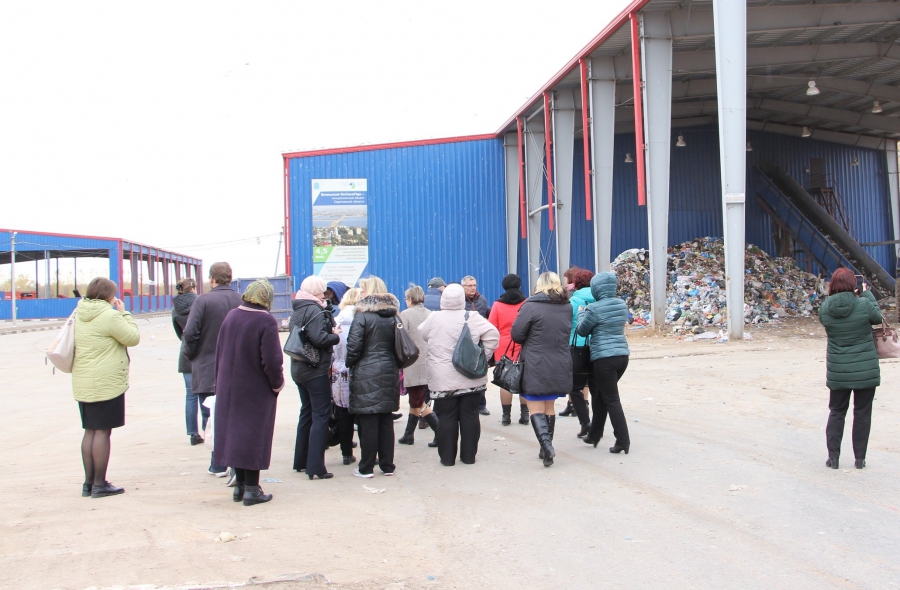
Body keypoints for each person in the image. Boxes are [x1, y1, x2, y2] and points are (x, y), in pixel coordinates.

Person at [212, 280, 285, 505]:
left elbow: (219, 352)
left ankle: (240, 487)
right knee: (253, 436)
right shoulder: (265, 320)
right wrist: (277, 384)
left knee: (235, 435)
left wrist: (219, 382)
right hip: (255, 389)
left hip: (228, 387)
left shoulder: (231, 316)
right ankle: (252, 490)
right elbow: (272, 360)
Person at [72, 278, 140, 498]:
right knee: (103, 431)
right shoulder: (109, 316)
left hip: (83, 379)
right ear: (108, 295)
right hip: (106, 381)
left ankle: (88, 483)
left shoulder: (79, 313)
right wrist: (124, 313)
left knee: (90, 430)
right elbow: (133, 338)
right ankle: (100, 484)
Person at [419, 284, 499, 466]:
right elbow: (493, 334)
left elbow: (422, 333)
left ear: (443, 299)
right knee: (470, 416)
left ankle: (447, 458)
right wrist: (482, 357)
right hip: (471, 376)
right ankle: (469, 457)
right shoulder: (472, 317)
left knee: (446, 417)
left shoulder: (434, 317)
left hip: (442, 378)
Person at [818, 268, 883, 470]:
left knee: (837, 412)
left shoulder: (825, 308)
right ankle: (860, 459)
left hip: (838, 371)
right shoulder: (863, 304)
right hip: (865, 369)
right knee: (862, 413)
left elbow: (827, 321)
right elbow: (877, 318)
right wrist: (866, 293)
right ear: (853, 284)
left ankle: (834, 458)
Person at [182, 262, 242, 477]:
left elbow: (190, 333)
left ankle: (218, 464)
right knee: (234, 415)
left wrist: (192, 354)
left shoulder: (203, 301)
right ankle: (234, 463)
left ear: (212, 279)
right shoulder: (240, 300)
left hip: (207, 366)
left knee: (210, 414)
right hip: (236, 366)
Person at [510, 271, 573, 467]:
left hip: (535, 361)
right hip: (559, 361)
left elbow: (517, 334)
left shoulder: (530, 305)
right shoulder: (567, 306)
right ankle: (545, 449)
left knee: (535, 407)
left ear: (539, 285)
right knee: (549, 407)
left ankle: (547, 447)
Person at [346, 279, 402, 477]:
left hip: (366, 371)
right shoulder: (394, 316)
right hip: (389, 370)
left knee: (368, 420)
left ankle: (366, 467)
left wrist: (350, 363)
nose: (360, 293)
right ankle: (387, 466)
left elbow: (353, 346)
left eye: (363, 290)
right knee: (386, 420)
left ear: (369, 292)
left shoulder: (362, 315)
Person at [290, 276, 341, 479]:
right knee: (321, 415)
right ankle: (316, 467)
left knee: (307, 412)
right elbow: (319, 339)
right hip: (315, 369)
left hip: (299, 367)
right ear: (318, 291)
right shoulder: (315, 309)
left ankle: (301, 460)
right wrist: (335, 335)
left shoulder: (299, 307)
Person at [576, 272, 631, 454]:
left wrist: (582, 314)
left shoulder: (594, 308)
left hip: (604, 358)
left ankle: (623, 440)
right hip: (622, 356)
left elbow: (582, 331)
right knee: (601, 395)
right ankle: (595, 434)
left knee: (611, 399)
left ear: (596, 288)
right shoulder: (621, 304)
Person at [397, 285, 439, 446]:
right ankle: (408, 435)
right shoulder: (431, 314)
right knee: (416, 398)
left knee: (417, 400)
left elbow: (401, 338)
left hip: (412, 362)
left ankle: (440, 431)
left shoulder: (405, 315)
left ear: (410, 299)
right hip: (428, 361)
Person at [488, 274, 528, 426]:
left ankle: (506, 417)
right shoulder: (526, 303)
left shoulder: (497, 305)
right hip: (522, 345)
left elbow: (492, 328)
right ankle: (525, 415)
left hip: (503, 347)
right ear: (519, 285)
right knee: (523, 380)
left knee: (504, 381)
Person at [568, 270, 602, 439]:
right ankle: (597, 425)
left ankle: (585, 422)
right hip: (596, 346)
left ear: (576, 284)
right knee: (595, 388)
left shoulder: (573, 301)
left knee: (574, 388)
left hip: (577, 347)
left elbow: (567, 324)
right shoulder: (600, 300)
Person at [171, 277, 203, 446]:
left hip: (186, 353)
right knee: (206, 393)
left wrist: (185, 341)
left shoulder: (175, 308)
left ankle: (193, 433)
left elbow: (179, 332)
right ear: (193, 288)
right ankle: (208, 428)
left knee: (190, 395)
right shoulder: (200, 303)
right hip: (202, 352)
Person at [332, 287, 361, 465]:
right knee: (362, 414)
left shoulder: (337, 321)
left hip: (339, 369)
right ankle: (369, 454)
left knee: (343, 414)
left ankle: (346, 453)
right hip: (358, 368)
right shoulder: (361, 320)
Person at [461, 275, 492, 415]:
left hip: (480, 342)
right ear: (463, 287)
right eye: (470, 285)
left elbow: (488, 315)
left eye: (474, 285)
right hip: (465, 342)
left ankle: (481, 405)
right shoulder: (460, 301)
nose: (473, 288)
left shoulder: (482, 300)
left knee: (480, 372)